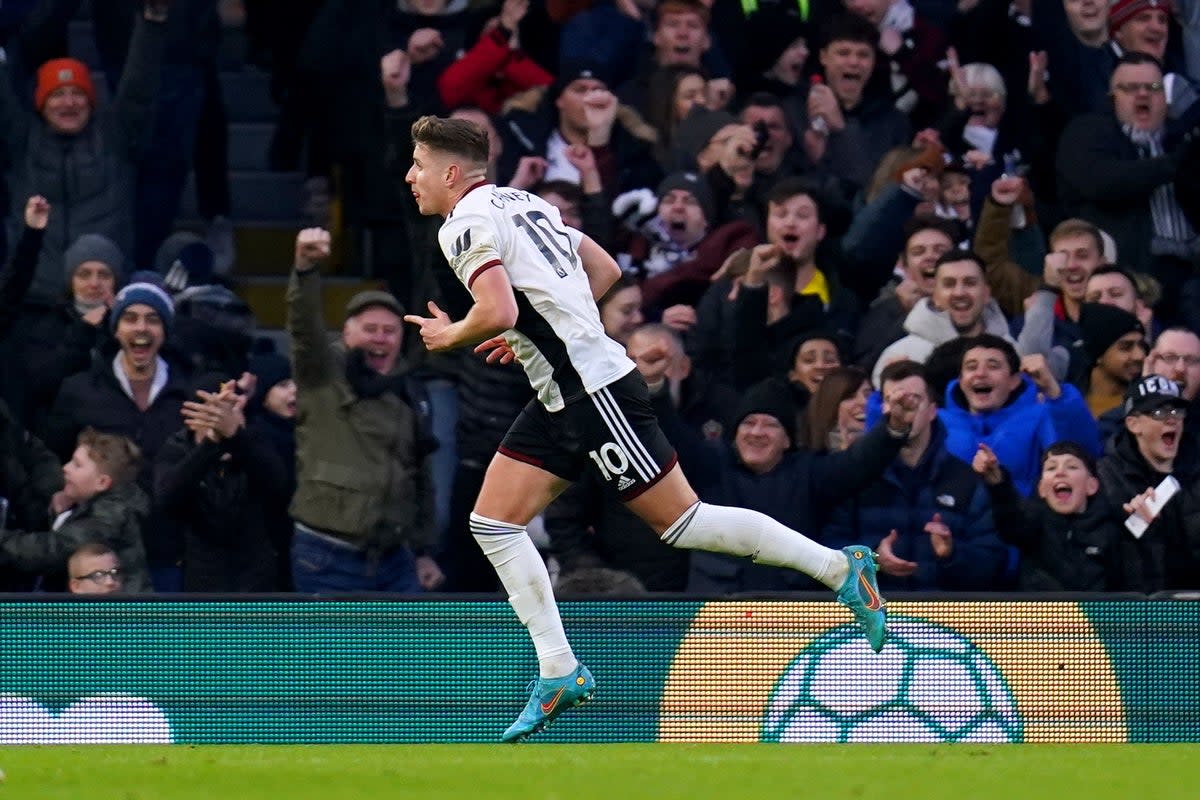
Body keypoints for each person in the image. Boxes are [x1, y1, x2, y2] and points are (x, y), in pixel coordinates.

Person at [401, 115, 919, 741]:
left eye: (419, 166)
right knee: (492, 523)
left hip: (591, 393)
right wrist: (543, 326)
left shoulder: (462, 224)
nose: (411, 177)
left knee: (682, 522)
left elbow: (499, 307)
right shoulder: (523, 200)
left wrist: (452, 333)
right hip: (562, 392)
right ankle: (559, 670)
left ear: (451, 173)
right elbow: (604, 269)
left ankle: (840, 568)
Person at [0, 429, 151, 592]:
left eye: (77, 465)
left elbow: (53, 551)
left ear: (102, 482)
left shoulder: (111, 515)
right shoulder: (85, 505)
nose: (65, 468)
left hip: (117, 613)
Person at [973, 440, 1124, 591]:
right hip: (1042, 613)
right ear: (1042, 489)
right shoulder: (1032, 525)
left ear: (1091, 486)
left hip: (1095, 614)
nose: (1060, 473)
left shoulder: (1111, 530)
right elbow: (1010, 520)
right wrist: (998, 483)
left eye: (1072, 467)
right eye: (1051, 468)